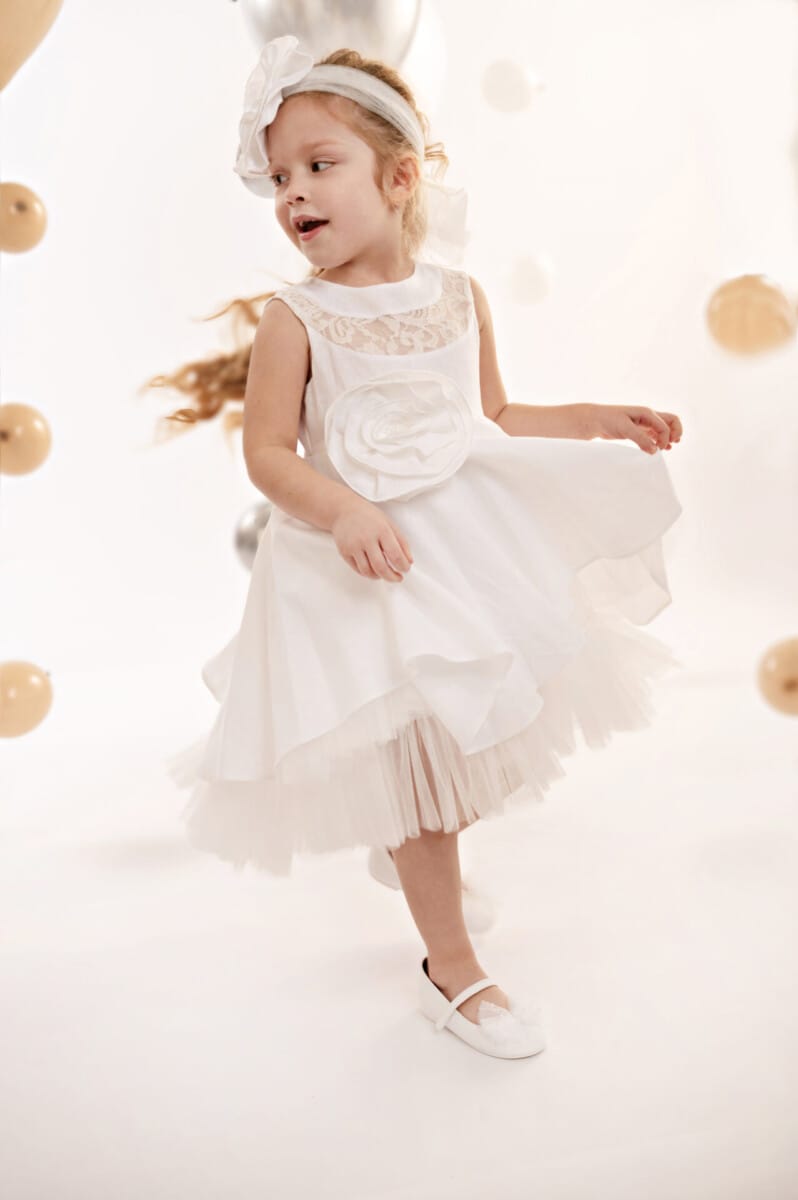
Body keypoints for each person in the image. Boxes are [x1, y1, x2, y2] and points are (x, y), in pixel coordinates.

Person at [163, 35, 683, 1059]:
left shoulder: (457, 295)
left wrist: (593, 418)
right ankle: (452, 970)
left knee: (467, 738)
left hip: (458, 554)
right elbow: (267, 455)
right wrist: (343, 511)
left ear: (398, 178)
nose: (293, 193)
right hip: (359, 571)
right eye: (280, 177)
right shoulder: (295, 319)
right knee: (414, 773)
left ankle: (409, 849)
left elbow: (493, 414)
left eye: (319, 165)